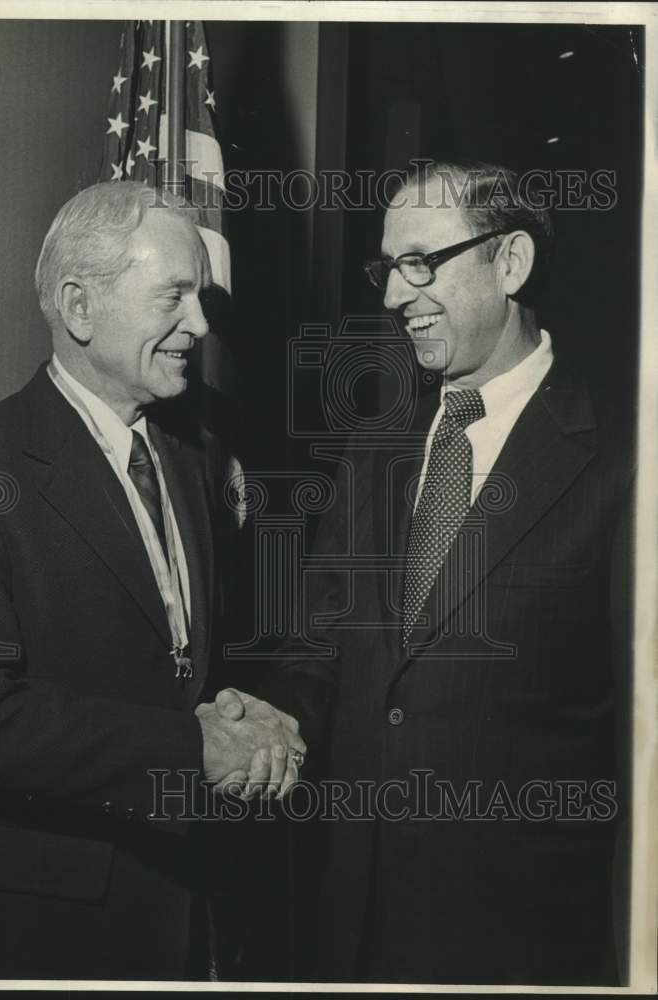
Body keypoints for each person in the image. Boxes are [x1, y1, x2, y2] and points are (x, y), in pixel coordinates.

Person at [0, 181, 305, 981]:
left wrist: (246, 712)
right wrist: (191, 747)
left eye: (201, 297)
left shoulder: (193, 449)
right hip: (37, 926)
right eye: (174, 298)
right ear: (80, 308)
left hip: (184, 902)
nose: (201, 325)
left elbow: (188, 654)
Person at [263, 161, 635, 985]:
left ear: (510, 264)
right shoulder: (373, 445)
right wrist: (276, 719)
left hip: (524, 944)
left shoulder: (623, 458)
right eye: (388, 267)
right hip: (350, 923)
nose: (397, 295)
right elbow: (317, 645)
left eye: (421, 262)